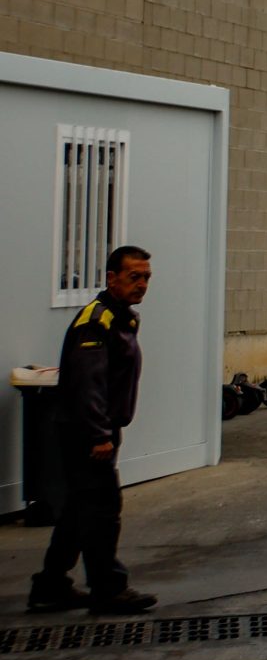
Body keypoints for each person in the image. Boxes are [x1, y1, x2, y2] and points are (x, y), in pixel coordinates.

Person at [28, 245, 158, 615]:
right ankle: (108, 589)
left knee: (77, 511)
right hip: (87, 433)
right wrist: (99, 434)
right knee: (102, 509)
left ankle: (50, 586)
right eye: (134, 276)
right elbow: (88, 383)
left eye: (147, 277)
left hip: (95, 429)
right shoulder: (96, 320)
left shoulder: (121, 318)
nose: (142, 284)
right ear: (111, 278)